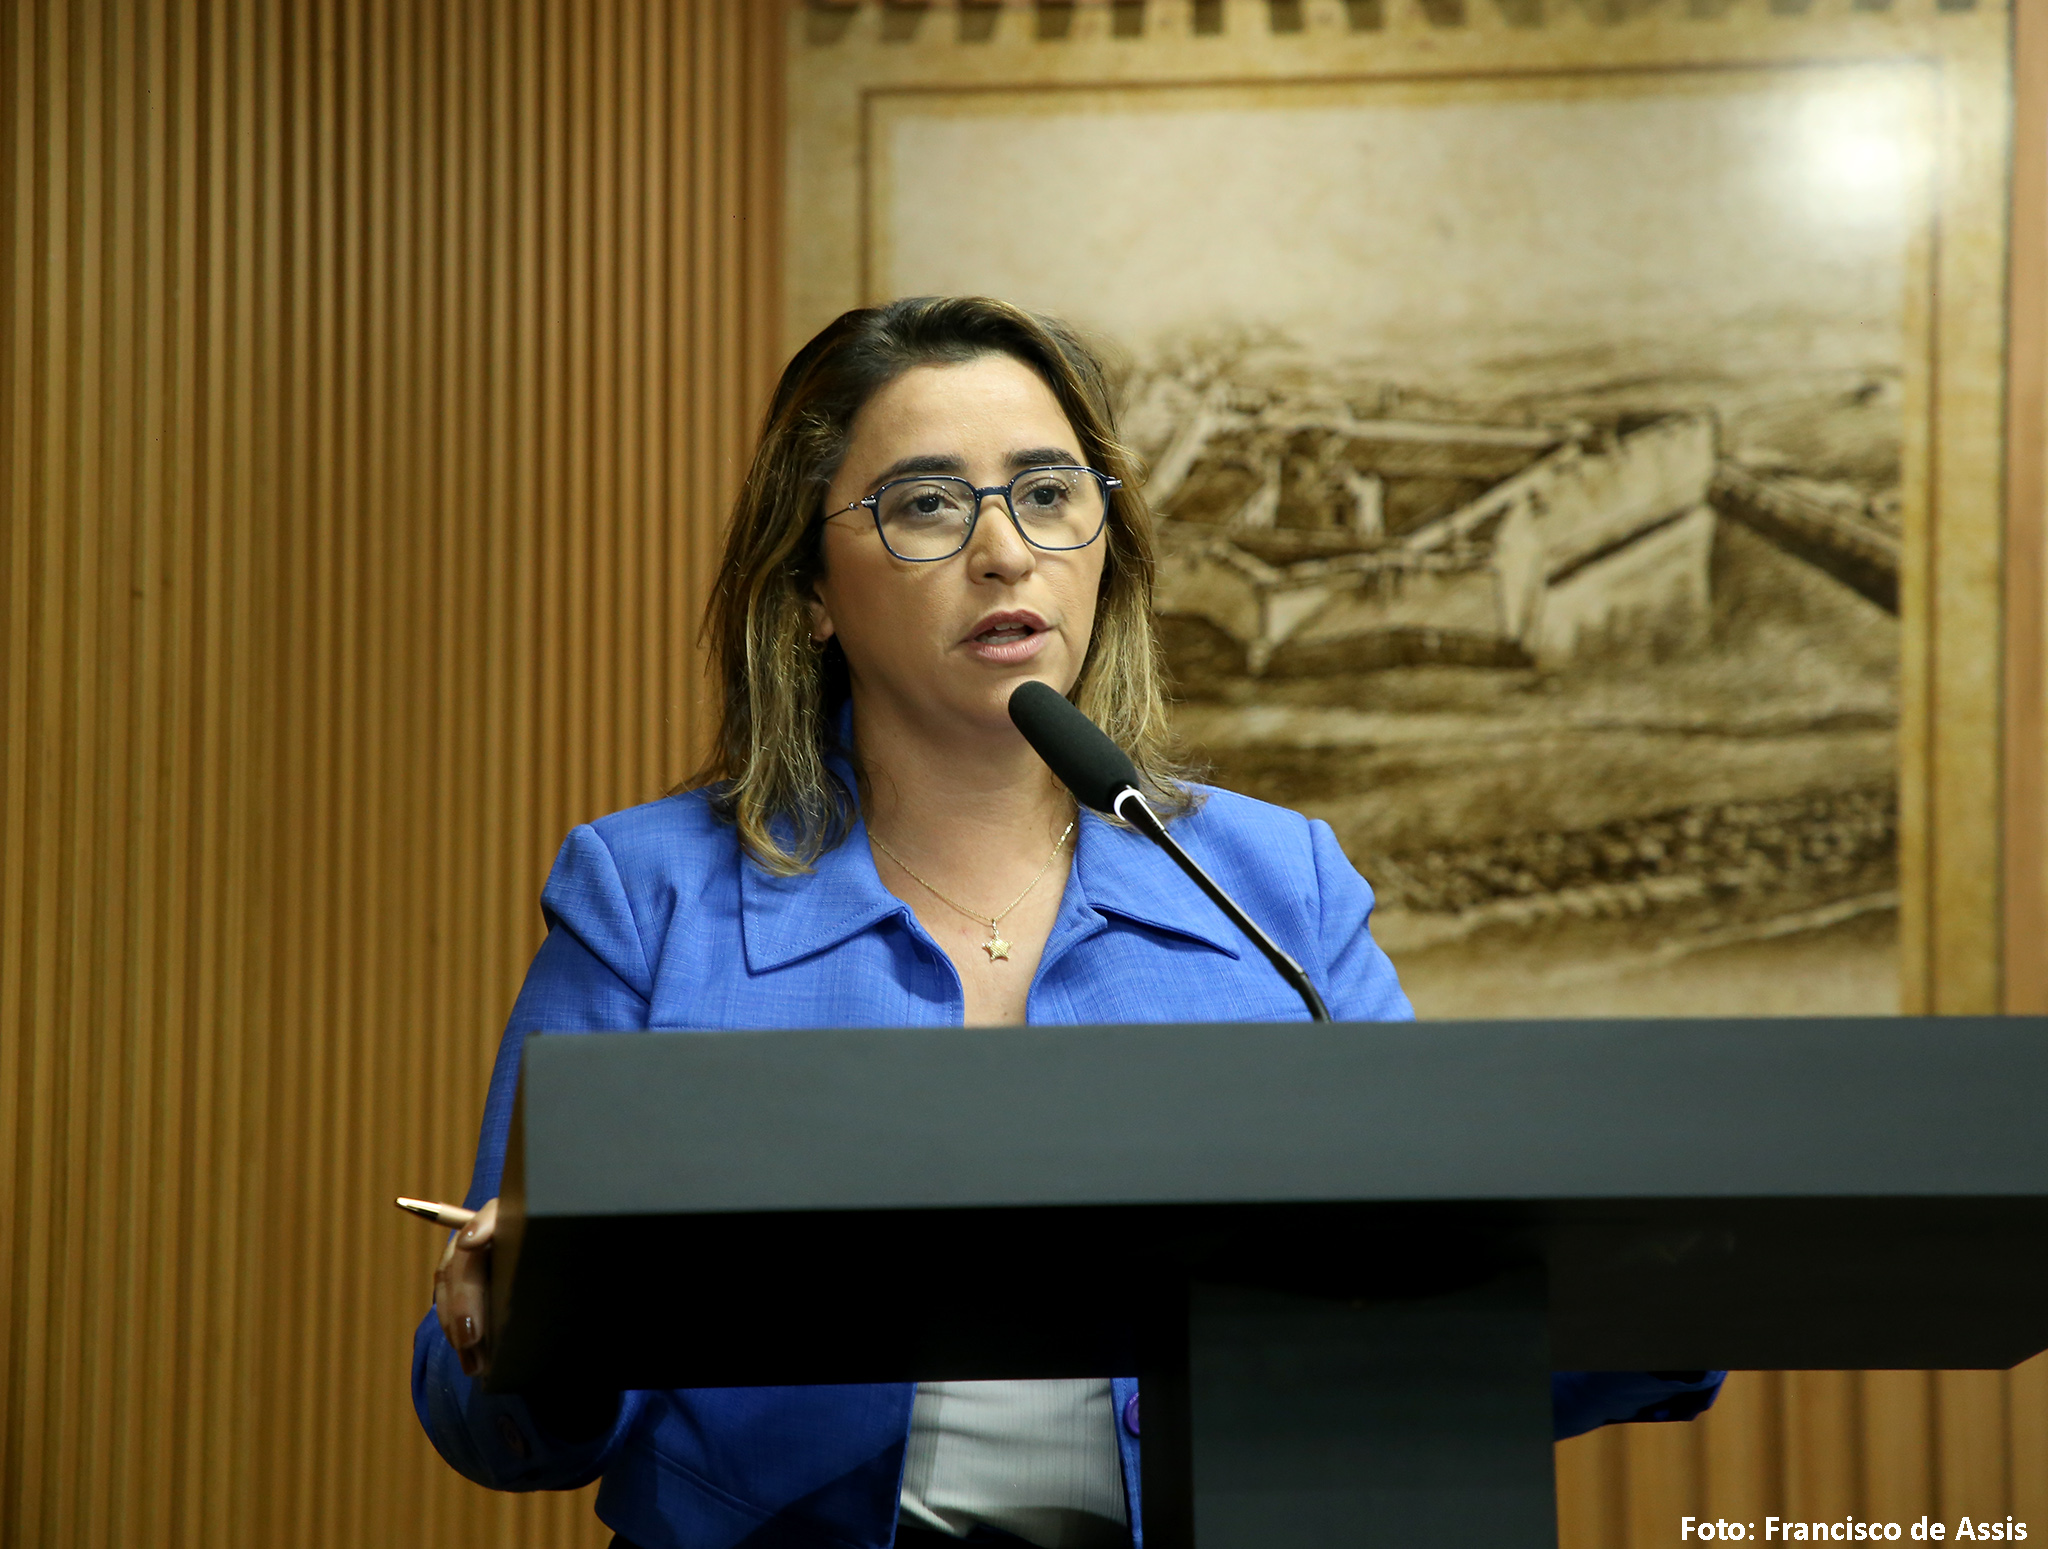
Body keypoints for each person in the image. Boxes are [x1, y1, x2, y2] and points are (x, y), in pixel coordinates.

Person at [411, 296, 1724, 1549]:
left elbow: (1431, 1316)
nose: (1005, 550)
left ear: (1106, 549)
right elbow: (489, 1415)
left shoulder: (1276, 887)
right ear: (808, 588)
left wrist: (1662, 1285)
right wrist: (526, 1325)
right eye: (927, 504)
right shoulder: (649, 894)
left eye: (1046, 493)